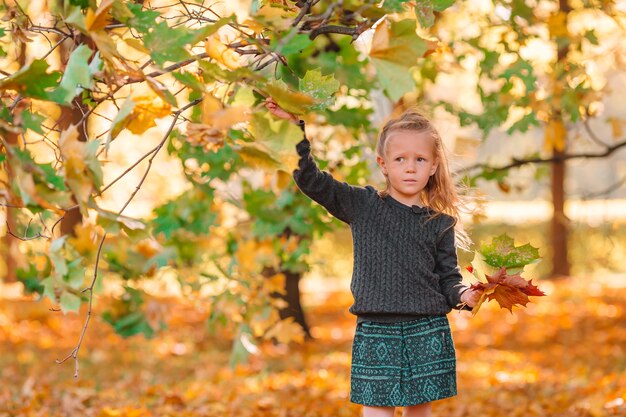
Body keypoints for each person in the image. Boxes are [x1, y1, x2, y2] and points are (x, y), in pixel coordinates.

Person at [264, 97, 482, 417]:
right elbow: (310, 179)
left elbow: (449, 279)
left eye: (420, 159)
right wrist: (295, 129)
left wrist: (465, 295)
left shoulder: (440, 223)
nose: (410, 167)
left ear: (433, 166)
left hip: (427, 330)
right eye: (401, 159)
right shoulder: (362, 205)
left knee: (419, 413)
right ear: (383, 164)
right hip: (376, 328)